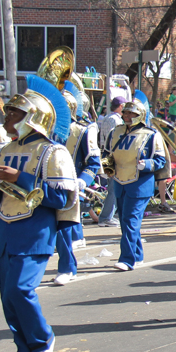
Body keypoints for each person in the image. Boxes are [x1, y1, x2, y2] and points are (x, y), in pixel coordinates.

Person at [0, 75, 78, 352]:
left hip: (35, 230)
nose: (7, 117)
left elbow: (62, 197)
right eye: (8, 112)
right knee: (8, 299)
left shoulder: (53, 152)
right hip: (8, 229)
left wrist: (18, 177)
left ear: (33, 117)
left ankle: (43, 340)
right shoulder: (4, 150)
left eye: (14, 113)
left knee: (20, 290)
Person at [108, 95, 169, 271]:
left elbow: (160, 160)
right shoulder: (116, 132)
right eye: (125, 113)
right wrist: (107, 168)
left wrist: (147, 164)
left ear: (140, 115)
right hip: (120, 181)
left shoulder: (151, 135)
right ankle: (137, 254)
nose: (127, 116)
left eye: (131, 114)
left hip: (140, 183)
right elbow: (108, 153)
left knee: (130, 221)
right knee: (126, 221)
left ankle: (127, 259)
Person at [53, 80, 101, 285]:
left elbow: (93, 162)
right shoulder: (42, 130)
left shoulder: (83, 130)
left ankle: (66, 267)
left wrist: (82, 181)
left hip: (69, 188)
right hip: (44, 185)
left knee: (62, 228)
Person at [98, 96, 125, 227]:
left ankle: (107, 215)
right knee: (114, 187)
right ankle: (106, 217)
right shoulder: (116, 120)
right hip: (112, 155)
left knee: (112, 186)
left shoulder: (107, 118)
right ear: (120, 106)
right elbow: (115, 138)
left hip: (105, 154)